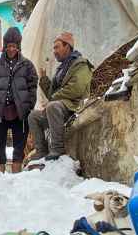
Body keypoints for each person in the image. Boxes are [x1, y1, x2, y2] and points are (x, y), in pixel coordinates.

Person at [28, 32, 93, 161]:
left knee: (52, 106)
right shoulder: (62, 69)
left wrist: (52, 100)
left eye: (57, 47)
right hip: (59, 108)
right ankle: (41, 150)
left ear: (67, 47)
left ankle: (57, 148)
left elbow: (76, 89)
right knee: (33, 116)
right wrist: (44, 80)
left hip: (74, 106)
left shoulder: (81, 65)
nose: (54, 51)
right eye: (54, 48)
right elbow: (53, 95)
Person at [0, 27, 37, 174]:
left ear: (18, 46)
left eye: (14, 46)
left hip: (20, 112)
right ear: (5, 46)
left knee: (19, 148)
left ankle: (16, 177)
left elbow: (33, 85)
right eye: (9, 46)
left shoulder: (27, 65)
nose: (11, 49)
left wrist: (29, 105)